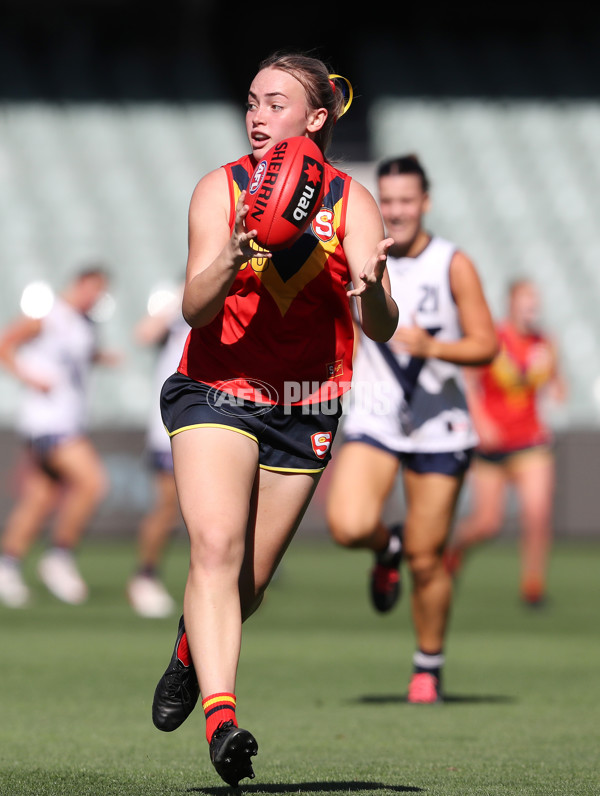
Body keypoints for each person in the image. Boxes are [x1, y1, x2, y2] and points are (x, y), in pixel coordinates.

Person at [149, 51, 398, 788]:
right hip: (216, 387)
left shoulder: (353, 201)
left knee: (246, 583)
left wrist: (374, 287)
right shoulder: (219, 190)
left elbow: (379, 324)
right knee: (217, 548)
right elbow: (196, 308)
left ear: (317, 118)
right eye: (253, 101)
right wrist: (229, 258)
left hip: (307, 403)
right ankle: (223, 720)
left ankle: (191, 653)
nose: (258, 116)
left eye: (277, 104)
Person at [325, 154, 498, 704]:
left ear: (424, 202)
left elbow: (486, 344)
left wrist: (434, 346)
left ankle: (428, 665)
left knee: (428, 559)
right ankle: (385, 544)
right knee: (349, 524)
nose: (395, 211)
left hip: (438, 425)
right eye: (388, 200)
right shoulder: (357, 255)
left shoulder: (452, 263)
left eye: (406, 200)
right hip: (375, 416)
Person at [445, 279, 567, 606]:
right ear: (511, 302)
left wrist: (554, 389)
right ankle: (453, 555)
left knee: (538, 513)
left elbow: (558, 387)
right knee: (487, 524)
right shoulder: (494, 339)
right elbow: (468, 383)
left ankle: (533, 588)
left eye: (535, 299)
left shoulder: (546, 343)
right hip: (492, 446)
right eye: (526, 298)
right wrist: (481, 422)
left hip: (531, 442)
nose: (532, 306)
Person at [0, 266, 115, 607]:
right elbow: (6, 343)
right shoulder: (50, 314)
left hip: (65, 420)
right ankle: (59, 556)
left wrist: (99, 358)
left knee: (38, 499)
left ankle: (7, 567)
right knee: (93, 483)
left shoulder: (82, 323)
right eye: (94, 289)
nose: (95, 298)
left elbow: (70, 358)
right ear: (80, 283)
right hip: (50, 422)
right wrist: (29, 377)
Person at [127, 284, 189, 618]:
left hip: (210, 419)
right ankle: (144, 577)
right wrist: (176, 303)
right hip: (171, 422)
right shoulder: (181, 298)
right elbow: (144, 334)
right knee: (167, 506)